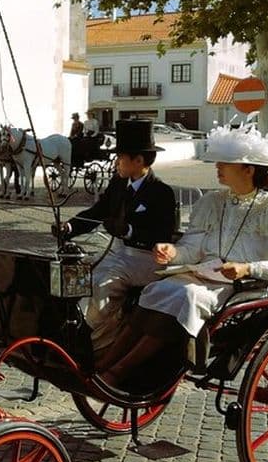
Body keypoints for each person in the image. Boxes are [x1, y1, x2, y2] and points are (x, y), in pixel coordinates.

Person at [97, 125, 268, 388]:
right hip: (203, 274)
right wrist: (173, 252)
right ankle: (106, 362)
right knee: (156, 289)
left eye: (224, 164)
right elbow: (193, 247)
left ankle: (120, 370)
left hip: (243, 286)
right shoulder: (212, 202)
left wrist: (247, 268)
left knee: (186, 296)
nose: (217, 167)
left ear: (248, 170)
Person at [54, 120, 177, 356]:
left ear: (138, 160)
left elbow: (163, 236)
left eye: (120, 157)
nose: (116, 162)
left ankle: (94, 344)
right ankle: (73, 327)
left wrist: (129, 231)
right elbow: (97, 212)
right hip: (118, 254)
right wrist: (69, 227)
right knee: (73, 274)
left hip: (147, 259)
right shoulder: (119, 183)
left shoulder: (162, 192)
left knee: (101, 284)